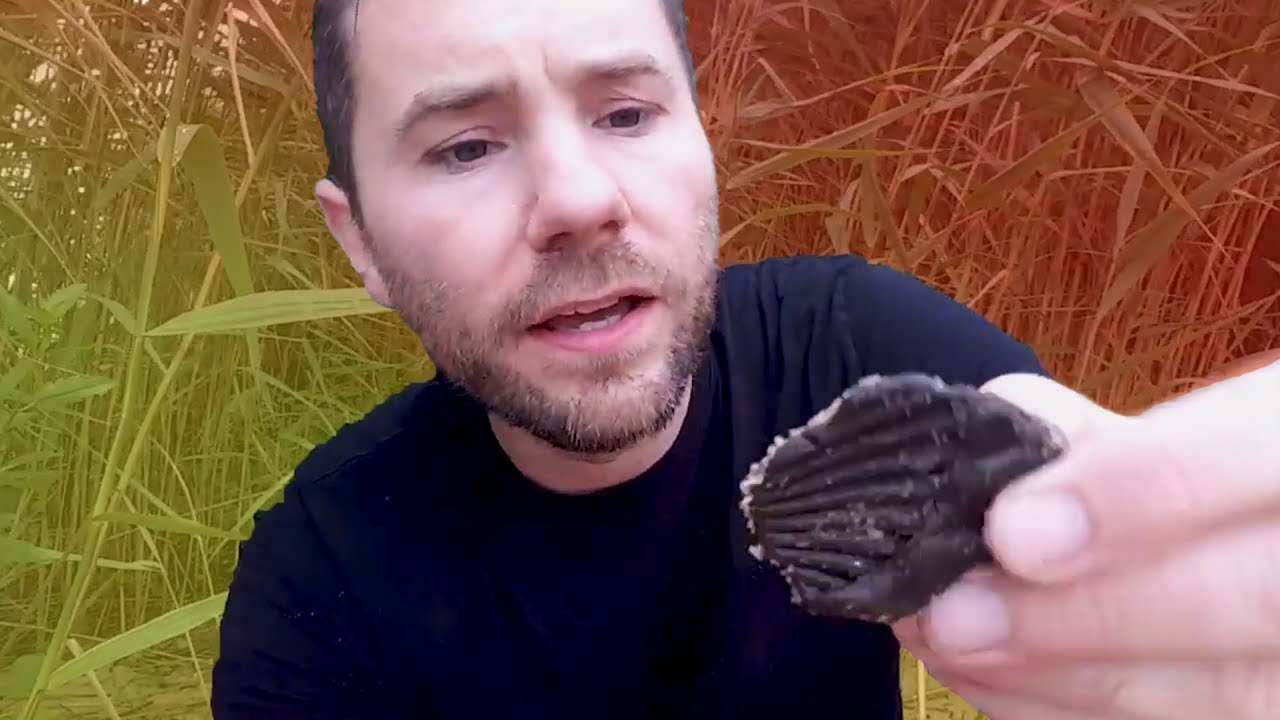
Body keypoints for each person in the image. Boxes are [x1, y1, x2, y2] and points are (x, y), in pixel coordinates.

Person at [210, 0, 1280, 718]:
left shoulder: (843, 349)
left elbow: (1059, 448)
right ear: (361, 245)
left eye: (626, 112)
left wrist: (1166, 553)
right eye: (465, 146)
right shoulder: (321, 585)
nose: (580, 200)